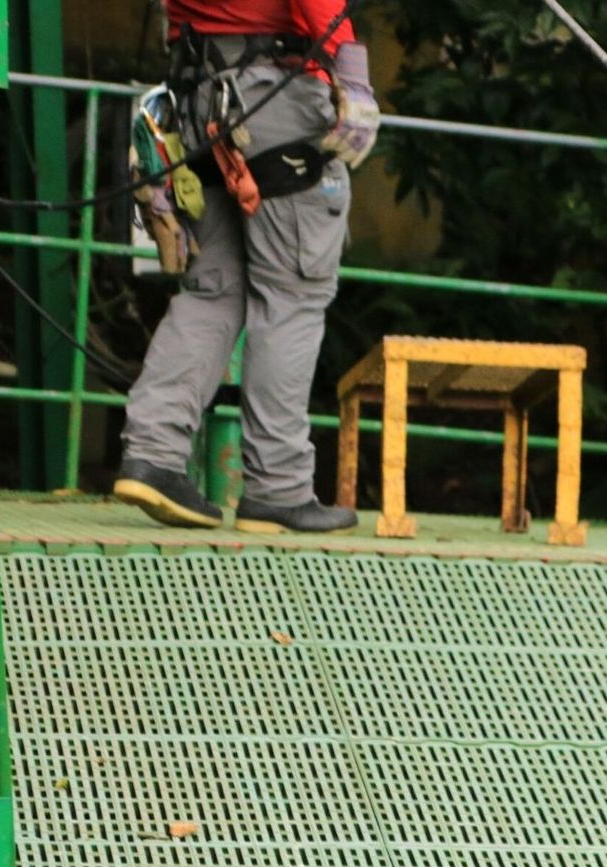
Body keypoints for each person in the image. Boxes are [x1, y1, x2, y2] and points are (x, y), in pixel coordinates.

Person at [111, 0, 380, 534]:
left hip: (196, 94)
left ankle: (153, 455)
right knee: (292, 294)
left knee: (215, 289)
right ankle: (277, 486)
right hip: (270, 95)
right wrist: (351, 74)